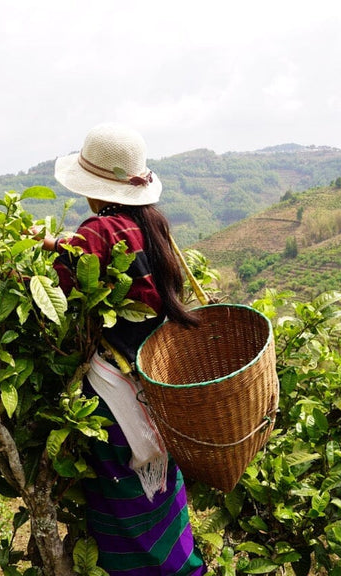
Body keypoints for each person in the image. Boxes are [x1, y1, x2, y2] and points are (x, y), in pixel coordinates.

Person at [39, 123, 206, 575]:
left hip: (113, 393)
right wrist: (58, 243)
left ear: (94, 189)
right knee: (160, 498)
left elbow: (58, 284)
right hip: (155, 386)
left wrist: (30, 262)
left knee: (121, 508)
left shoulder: (98, 231)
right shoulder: (153, 225)